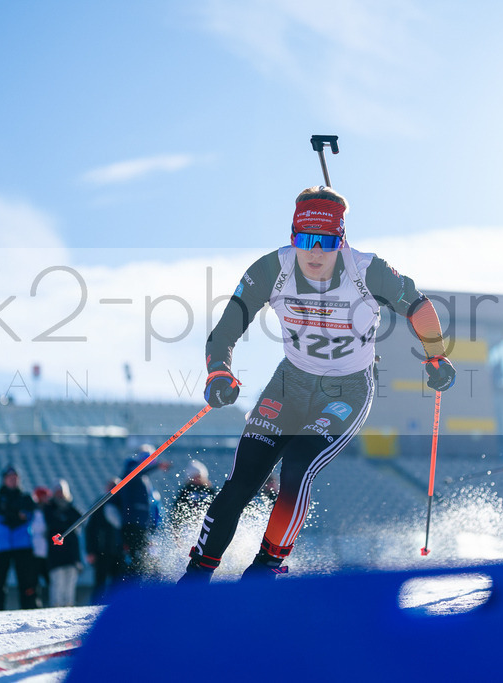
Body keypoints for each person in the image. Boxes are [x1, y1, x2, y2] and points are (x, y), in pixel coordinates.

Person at [179, 185, 456, 582]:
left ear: (341, 241)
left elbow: (419, 305)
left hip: (347, 389)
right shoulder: (271, 268)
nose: (315, 251)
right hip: (290, 384)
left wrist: (435, 354)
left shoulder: (367, 269)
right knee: (243, 481)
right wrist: (219, 370)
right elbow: (226, 330)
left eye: (326, 242)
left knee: (297, 467)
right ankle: (195, 578)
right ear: (292, 237)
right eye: (305, 240)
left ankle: (263, 573)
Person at [0, 465, 40, 610]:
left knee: (27, 582)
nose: (13, 480)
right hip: (2, 547)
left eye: (15, 477)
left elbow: (28, 515)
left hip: (23, 545)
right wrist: (17, 515)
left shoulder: (26, 497)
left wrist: (10, 513)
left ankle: (30, 610)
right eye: (10, 477)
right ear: (4, 479)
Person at [117, 448, 166, 582]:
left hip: (141, 524)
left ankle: (144, 584)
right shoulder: (130, 471)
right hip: (132, 523)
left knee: (145, 557)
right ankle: (132, 587)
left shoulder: (144, 479)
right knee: (135, 558)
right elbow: (138, 471)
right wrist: (156, 466)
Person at [44, 480, 83, 607]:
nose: (60, 494)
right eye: (58, 492)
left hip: (71, 553)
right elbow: (53, 524)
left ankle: (69, 606)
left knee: (70, 584)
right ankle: (56, 607)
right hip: (56, 554)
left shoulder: (72, 509)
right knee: (57, 583)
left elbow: (80, 521)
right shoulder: (49, 509)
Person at [84, 478, 123, 601]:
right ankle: (95, 607)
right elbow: (90, 529)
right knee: (100, 583)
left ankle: (114, 607)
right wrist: (90, 550)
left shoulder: (123, 503)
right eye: (111, 486)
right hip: (102, 550)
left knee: (118, 583)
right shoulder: (100, 503)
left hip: (119, 550)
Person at [170, 460, 217, 531]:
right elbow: (177, 509)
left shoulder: (209, 490)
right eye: (195, 476)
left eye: (199, 476)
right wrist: (176, 527)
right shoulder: (186, 491)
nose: (198, 479)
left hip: (208, 522)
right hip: (190, 524)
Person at [30, 485, 51, 606]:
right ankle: (35, 604)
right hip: (36, 552)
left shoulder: (50, 510)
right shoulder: (34, 511)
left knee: (50, 580)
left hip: (47, 552)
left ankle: (50, 603)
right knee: (34, 582)